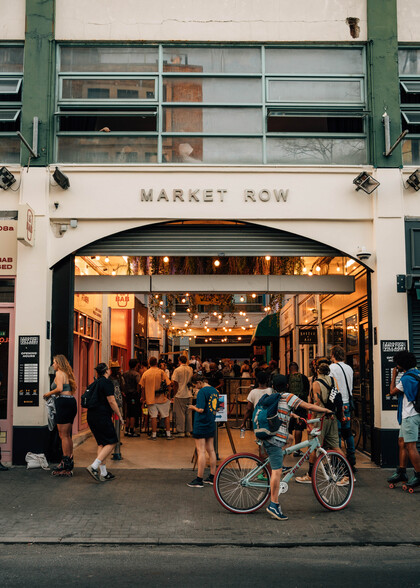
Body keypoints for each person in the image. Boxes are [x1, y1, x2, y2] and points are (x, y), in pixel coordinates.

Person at [264, 374, 333, 521]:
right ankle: (274, 504)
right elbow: (307, 406)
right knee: (276, 472)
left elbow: (282, 409)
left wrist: (293, 415)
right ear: (287, 385)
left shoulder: (273, 396)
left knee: (289, 439)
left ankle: (279, 464)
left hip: (269, 436)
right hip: (275, 439)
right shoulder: (288, 396)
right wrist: (325, 410)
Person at [295, 362, 348, 485]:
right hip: (332, 417)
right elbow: (337, 399)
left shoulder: (316, 383)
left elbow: (317, 403)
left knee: (313, 446)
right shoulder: (333, 380)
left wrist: (311, 422)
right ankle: (347, 474)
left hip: (320, 418)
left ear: (317, 371)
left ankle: (310, 475)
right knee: (335, 446)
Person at [86, 362, 124, 482]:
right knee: (112, 442)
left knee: (102, 444)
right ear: (107, 371)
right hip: (101, 416)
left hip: (91, 416)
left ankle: (103, 473)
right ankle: (94, 466)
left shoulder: (96, 382)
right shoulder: (107, 383)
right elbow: (112, 401)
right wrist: (120, 416)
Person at [388, 350, 420, 490]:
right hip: (410, 415)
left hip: (409, 415)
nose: (397, 366)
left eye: (398, 364)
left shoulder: (406, 379)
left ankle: (419, 475)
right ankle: (401, 472)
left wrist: (394, 376)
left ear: (402, 364)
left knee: (410, 446)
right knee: (402, 442)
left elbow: (392, 391)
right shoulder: (417, 373)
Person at [43, 355, 77, 477]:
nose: (53, 365)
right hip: (71, 402)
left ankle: (65, 463)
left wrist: (48, 393)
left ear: (59, 363)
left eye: (54, 362)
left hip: (63, 403)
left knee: (62, 435)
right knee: (67, 435)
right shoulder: (68, 374)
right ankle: (68, 460)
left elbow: (59, 388)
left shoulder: (59, 373)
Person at [187, 373, 219, 488]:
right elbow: (217, 407)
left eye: (195, 385)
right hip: (211, 422)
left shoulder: (202, 392)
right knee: (211, 450)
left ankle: (199, 479)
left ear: (199, 383)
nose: (195, 388)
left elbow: (200, 409)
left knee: (200, 451)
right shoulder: (215, 390)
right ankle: (212, 476)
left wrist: (192, 407)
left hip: (201, 423)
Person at [329, 345, 357, 472]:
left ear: (333, 355)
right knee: (348, 433)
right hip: (347, 403)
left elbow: (331, 385)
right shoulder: (349, 368)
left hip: (337, 404)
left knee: (337, 434)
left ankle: (338, 462)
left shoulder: (332, 368)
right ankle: (351, 461)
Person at [140, 356, 174, 441]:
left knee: (153, 417)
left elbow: (142, 387)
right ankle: (168, 434)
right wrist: (169, 395)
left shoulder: (146, 373)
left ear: (149, 363)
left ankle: (154, 435)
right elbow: (169, 384)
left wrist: (143, 398)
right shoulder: (161, 372)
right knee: (166, 416)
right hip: (162, 398)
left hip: (150, 398)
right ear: (156, 363)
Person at [287, 362, 310, 457]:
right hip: (300, 404)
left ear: (289, 369)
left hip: (289, 404)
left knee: (288, 427)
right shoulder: (304, 378)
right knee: (299, 427)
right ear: (298, 368)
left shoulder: (287, 378)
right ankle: (297, 450)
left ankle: (287, 448)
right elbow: (307, 392)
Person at [172, 355, 193, 437]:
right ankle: (188, 431)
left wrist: (174, 393)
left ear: (179, 361)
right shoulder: (190, 369)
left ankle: (181, 431)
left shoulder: (177, 370)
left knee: (180, 414)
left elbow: (175, 383)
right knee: (188, 413)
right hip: (189, 393)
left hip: (180, 394)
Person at [122, 358, 141, 437]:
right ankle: (131, 430)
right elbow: (139, 384)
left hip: (127, 395)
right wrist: (138, 391)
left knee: (128, 412)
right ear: (136, 365)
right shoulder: (136, 374)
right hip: (134, 394)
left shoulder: (125, 373)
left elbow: (122, 384)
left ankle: (126, 429)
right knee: (133, 412)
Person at [109, 360, 124, 457]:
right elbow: (123, 388)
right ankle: (116, 440)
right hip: (118, 401)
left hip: (111, 400)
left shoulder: (109, 378)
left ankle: (114, 439)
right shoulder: (119, 378)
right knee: (117, 419)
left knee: (112, 420)